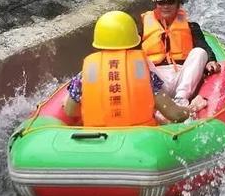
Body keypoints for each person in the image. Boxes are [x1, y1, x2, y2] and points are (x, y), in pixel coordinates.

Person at [63, 11, 200, 126]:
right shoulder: (142, 71)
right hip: (139, 139)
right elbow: (173, 113)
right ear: (134, 41)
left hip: (97, 141)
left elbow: (70, 111)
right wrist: (192, 109)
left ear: (98, 43)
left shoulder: (85, 74)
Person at [140, 0, 220, 107]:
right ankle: (156, 104)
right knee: (139, 58)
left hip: (184, 78)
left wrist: (211, 60)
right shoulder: (142, 28)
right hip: (158, 82)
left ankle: (181, 100)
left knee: (199, 52)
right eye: (161, 2)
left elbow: (203, 46)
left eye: (171, 1)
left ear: (178, 3)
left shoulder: (191, 26)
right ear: (156, 4)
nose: (165, 6)